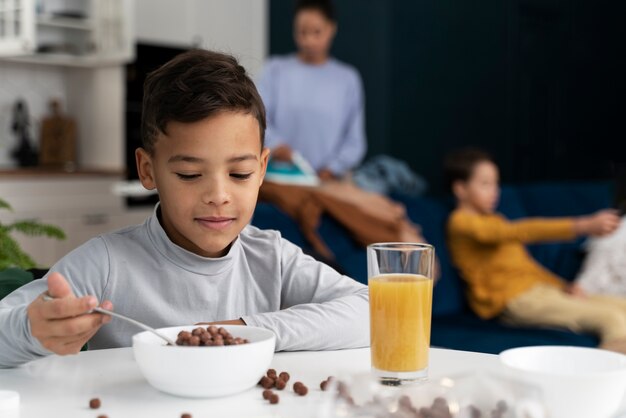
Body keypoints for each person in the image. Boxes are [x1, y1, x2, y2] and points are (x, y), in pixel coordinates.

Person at [0, 49, 369, 368]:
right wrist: (30, 331)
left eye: (239, 173)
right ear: (148, 170)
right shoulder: (107, 262)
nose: (218, 195)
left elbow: (372, 310)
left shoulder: (272, 258)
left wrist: (241, 330)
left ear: (262, 170)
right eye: (190, 174)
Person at [444, 148, 626, 353]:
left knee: (622, 307)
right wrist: (581, 225)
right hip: (515, 301)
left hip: (541, 291)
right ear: (460, 188)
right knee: (612, 319)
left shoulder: (495, 220)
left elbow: (526, 268)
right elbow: (518, 231)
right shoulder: (460, 222)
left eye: (496, 183)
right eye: (485, 184)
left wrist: (564, 286)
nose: (495, 191)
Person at [257, 0, 366, 181]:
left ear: (331, 29)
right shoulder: (274, 70)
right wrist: (277, 146)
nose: (308, 40)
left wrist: (332, 169)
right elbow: (259, 119)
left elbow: (355, 142)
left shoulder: (347, 79)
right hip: (279, 178)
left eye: (316, 32)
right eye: (302, 32)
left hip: (327, 182)